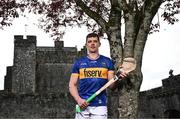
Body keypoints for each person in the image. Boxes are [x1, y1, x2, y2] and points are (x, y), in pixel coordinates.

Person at [69, 33, 127, 119]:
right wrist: (79, 100)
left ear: (99, 44)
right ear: (86, 45)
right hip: (83, 105)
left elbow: (111, 86)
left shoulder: (107, 61)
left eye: (95, 41)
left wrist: (118, 78)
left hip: (100, 106)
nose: (92, 43)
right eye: (90, 41)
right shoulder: (79, 62)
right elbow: (72, 85)